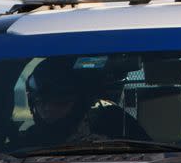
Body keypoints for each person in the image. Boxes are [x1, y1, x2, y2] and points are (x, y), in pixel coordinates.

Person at [13, 57, 148, 148]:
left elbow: (148, 152)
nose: (47, 109)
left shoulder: (113, 122)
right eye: (39, 102)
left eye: (60, 103)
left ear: (81, 103)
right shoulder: (28, 143)